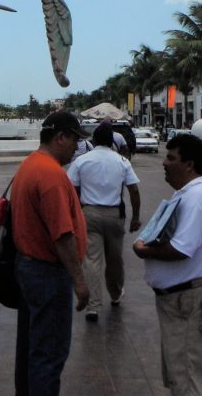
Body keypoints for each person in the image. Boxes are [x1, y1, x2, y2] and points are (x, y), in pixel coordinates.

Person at [133, 132, 202, 395]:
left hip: (187, 301)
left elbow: (180, 249)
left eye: (171, 158)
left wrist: (144, 250)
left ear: (189, 164)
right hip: (181, 300)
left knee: (187, 377)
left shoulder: (196, 198)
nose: (164, 163)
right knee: (180, 373)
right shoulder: (190, 193)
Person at [11, 111, 90, 396]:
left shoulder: (30, 165)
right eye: (75, 141)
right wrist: (79, 281)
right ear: (60, 137)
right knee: (49, 354)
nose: (76, 147)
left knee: (31, 348)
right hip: (48, 274)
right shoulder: (51, 175)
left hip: (29, 269)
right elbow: (62, 234)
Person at [67, 122, 141, 322]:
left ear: (94, 140)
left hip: (89, 214)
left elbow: (72, 189)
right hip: (114, 215)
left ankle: (93, 306)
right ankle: (116, 294)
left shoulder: (82, 161)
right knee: (115, 259)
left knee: (92, 260)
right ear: (111, 142)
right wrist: (135, 217)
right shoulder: (122, 161)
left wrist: (73, 215)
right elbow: (133, 190)